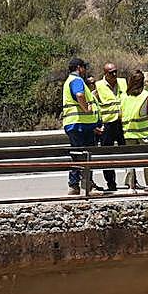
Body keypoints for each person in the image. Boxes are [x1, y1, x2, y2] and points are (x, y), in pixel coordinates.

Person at [62, 57, 97, 196]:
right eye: (84, 67)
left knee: (76, 155)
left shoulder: (68, 81)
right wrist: (86, 109)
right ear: (79, 68)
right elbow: (79, 95)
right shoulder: (76, 80)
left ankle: (74, 185)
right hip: (80, 124)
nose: (85, 70)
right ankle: (87, 185)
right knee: (85, 155)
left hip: (74, 124)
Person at [119, 70, 148, 191]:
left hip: (128, 132)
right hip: (144, 132)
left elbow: (120, 114)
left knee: (130, 159)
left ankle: (131, 186)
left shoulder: (124, 96)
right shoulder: (147, 95)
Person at [94, 63, 128, 192]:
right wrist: (97, 125)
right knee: (106, 154)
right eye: (111, 72)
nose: (114, 75)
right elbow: (94, 106)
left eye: (115, 71)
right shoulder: (98, 86)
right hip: (107, 125)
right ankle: (111, 182)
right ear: (105, 73)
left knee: (127, 152)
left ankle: (131, 181)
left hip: (122, 122)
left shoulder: (122, 82)